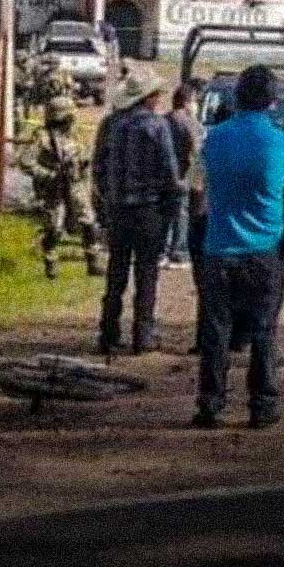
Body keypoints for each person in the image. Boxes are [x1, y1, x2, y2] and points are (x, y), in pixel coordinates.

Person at [193, 65, 284, 430]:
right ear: (273, 101)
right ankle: (262, 404)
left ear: (237, 98)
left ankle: (211, 404)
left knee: (216, 329)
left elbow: (200, 186)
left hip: (219, 246)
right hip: (264, 248)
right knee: (264, 329)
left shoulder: (214, 139)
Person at [92, 69, 182, 355]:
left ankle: (108, 332)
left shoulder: (110, 124)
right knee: (146, 273)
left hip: (118, 209)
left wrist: (107, 199)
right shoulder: (157, 126)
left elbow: (98, 168)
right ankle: (143, 335)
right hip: (149, 209)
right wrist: (172, 201)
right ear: (148, 97)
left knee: (116, 271)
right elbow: (169, 170)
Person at [23, 95, 103, 281]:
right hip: (54, 186)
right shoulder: (43, 137)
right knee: (55, 226)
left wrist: (84, 165)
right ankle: (51, 262)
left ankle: (93, 261)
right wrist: (48, 174)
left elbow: (86, 154)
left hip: (75, 183)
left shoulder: (75, 134)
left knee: (88, 221)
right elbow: (25, 161)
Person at [163, 83, 205, 268]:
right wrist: (199, 178)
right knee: (181, 214)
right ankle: (178, 253)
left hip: (164, 176)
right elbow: (197, 151)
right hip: (183, 175)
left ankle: (162, 251)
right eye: (195, 101)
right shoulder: (189, 123)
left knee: (166, 213)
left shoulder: (164, 120)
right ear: (187, 102)